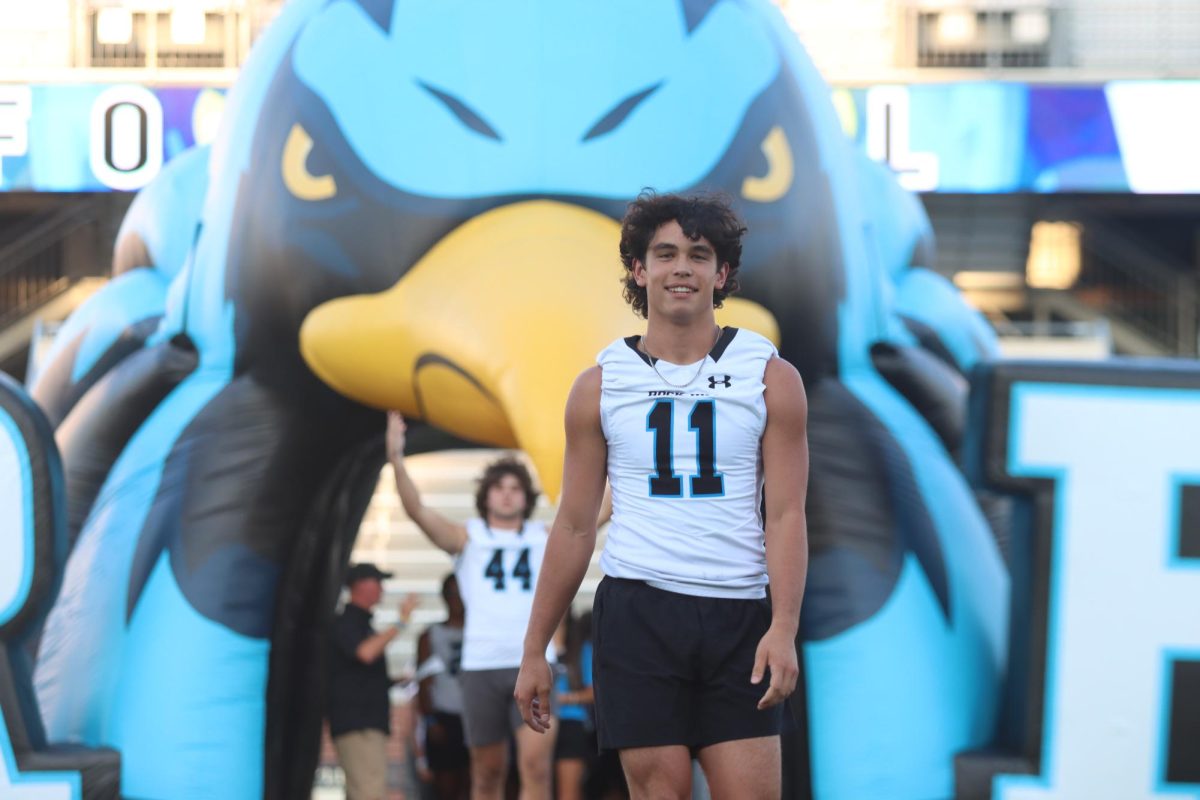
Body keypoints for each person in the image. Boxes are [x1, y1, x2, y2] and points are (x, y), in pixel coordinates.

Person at [514, 192, 810, 799]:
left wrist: (784, 626)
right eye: (666, 253)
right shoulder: (598, 385)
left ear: (721, 273)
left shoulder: (769, 376)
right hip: (639, 611)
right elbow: (573, 526)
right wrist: (533, 648)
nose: (682, 268)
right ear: (639, 270)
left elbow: (784, 514)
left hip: (738, 614)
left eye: (699, 255)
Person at [385, 421, 558, 800]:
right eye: (499, 488)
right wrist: (396, 459)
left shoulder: (544, 536)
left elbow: (595, 515)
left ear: (526, 496)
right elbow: (418, 511)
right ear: (486, 495)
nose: (508, 496)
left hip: (532, 661)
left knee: (535, 768)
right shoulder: (469, 536)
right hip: (480, 665)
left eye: (515, 488)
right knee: (487, 771)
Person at [328, 562, 419, 800]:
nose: (382, 588)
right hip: (358, 723)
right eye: (378, 582)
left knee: (363, 790)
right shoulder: (347, 621)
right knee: (369, 792)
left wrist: (393, 681)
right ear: (361, 585)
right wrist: (400, 622)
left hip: (367, 721)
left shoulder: (362, 624)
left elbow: (358, 673)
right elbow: (365, 653)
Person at [416, 574, 470, 800]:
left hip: (477, 715)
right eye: (450, 593)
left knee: (478, 782)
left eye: (459, 593)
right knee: (446, 787)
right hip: (445, 718)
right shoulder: (430, 635)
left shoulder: (482, 632)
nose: (455, 599)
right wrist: (431, 719)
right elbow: (424, 680)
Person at [551, 610, 594, 800]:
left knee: (568, 794)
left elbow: (594, 693)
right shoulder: (532, 646)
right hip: (537, 724)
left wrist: (562, 699)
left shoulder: (581, 647)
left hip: (571, 724)